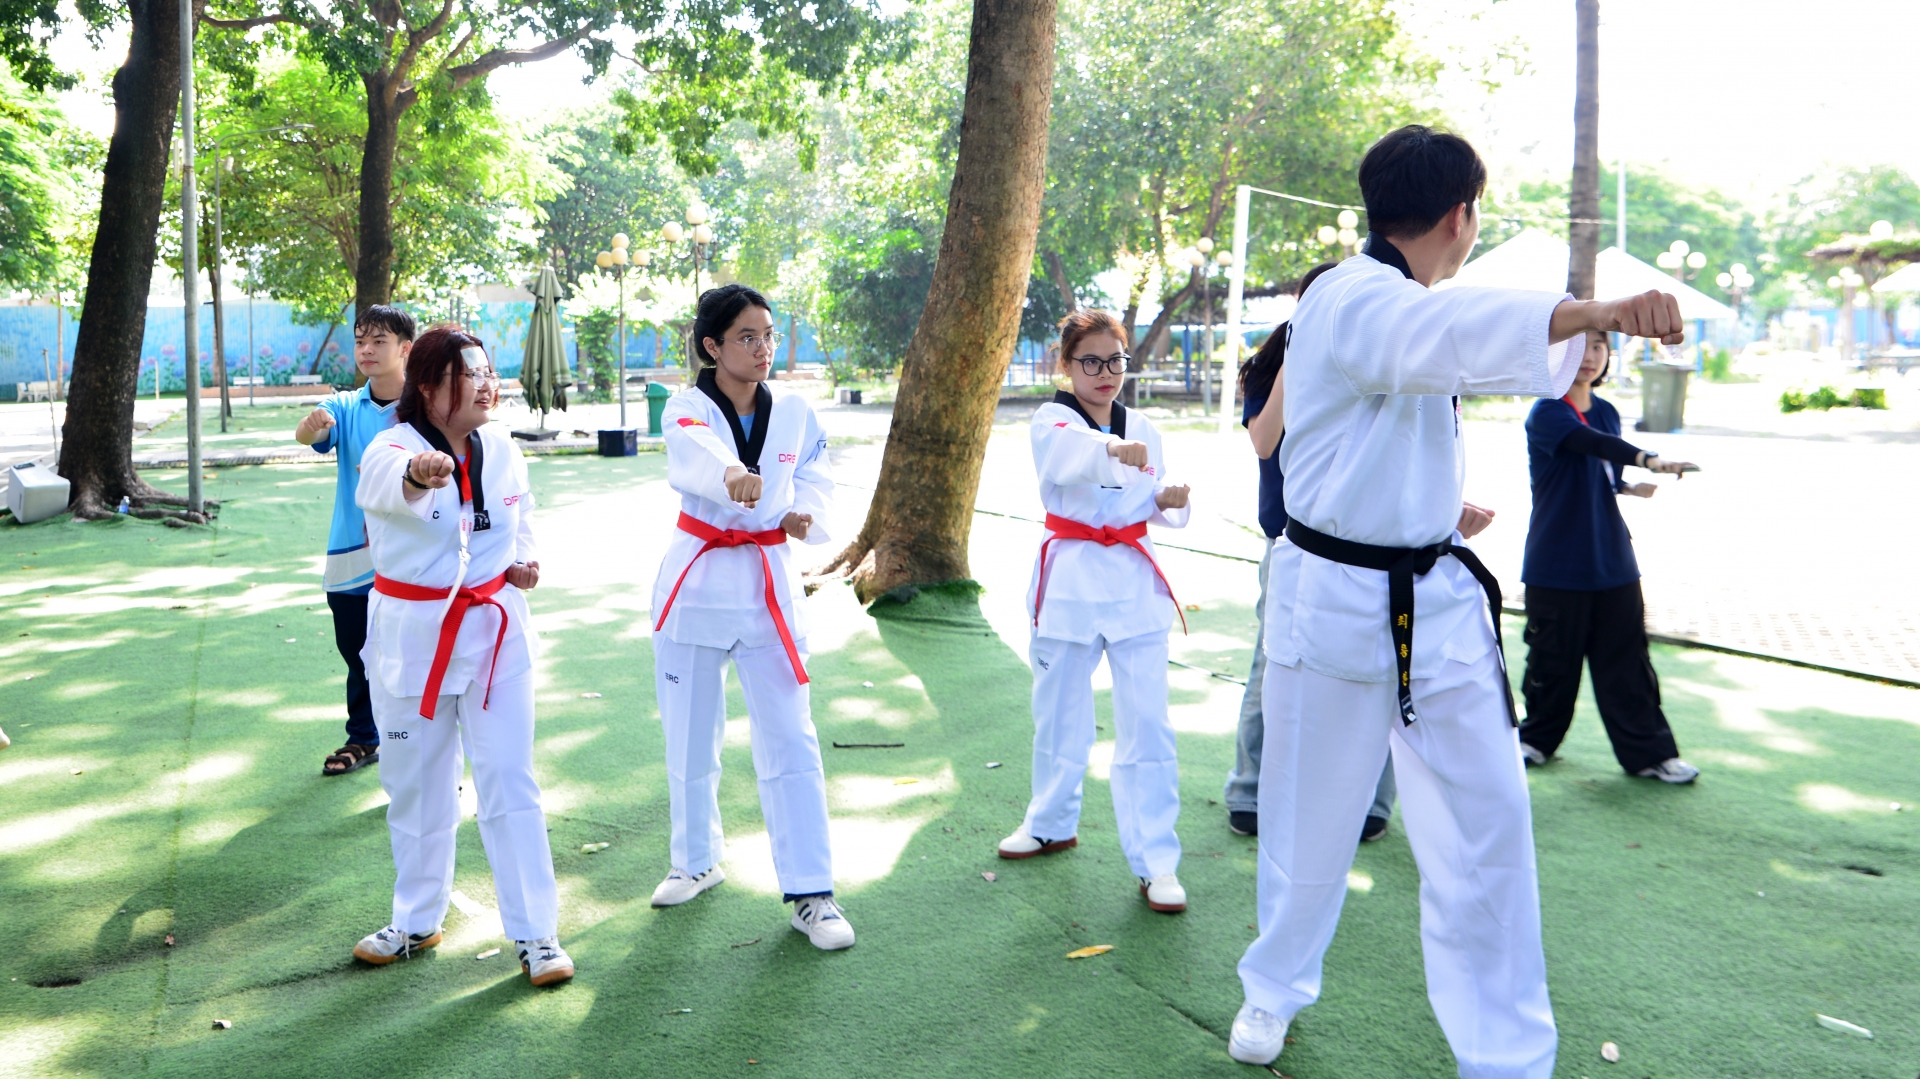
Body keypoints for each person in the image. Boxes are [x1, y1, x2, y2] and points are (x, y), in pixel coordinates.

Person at [1225, 125, 1686, 1073]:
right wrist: (1589, 307)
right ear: (1460, 215)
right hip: (1334, 604)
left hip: (1433, 600)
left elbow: (1419, 379)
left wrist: (1432, 509)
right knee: (1310, 826)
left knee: (1490, 827)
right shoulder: (1354, 296)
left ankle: (1507, 1053)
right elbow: (1435, 337)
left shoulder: (1396, 298)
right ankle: (1272, 990)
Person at [350, 327, 573, 987]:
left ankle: (537, 934)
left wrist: (525, 561)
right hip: (411, 639)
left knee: (509, 779)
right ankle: (416, 918)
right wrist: (421, 474)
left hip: (496, 634)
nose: (484, 382)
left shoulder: (502, 447)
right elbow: (384, 484)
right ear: (427, 384)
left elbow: (517, 517)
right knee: (417, 787)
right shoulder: (391, 445)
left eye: (484, 368)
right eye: (466, 371)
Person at [648, 285, 850, 950]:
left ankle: (811, 890)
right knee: (689, 735)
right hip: (699, 581)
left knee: (791, 736)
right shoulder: (685, 406)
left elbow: (817, 474)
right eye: (745, 336)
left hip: (769, 585)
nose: (762, 348)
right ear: (712, 346)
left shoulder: (793, 409)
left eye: (767, 334)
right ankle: (696, 859)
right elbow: (696, 450)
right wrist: (731, 472)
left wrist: (803, 515)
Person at [997, 309, 1194, 914]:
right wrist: (1114, 449)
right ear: (1065, 366)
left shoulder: (1147, 427)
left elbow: (1148, 497)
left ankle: (1156, 861)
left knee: (1148, 725)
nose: (1106, 373)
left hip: (1133, 580)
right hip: (1071, 580)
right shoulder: (1051, 419)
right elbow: (1072, 459)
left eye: (1115, 360)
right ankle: (1052, 822)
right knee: (1060, 715)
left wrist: (1165, 499)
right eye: (1091, 362)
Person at [1224, 263, 1402, 845]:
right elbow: (1262, 439)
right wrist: (1299, 351)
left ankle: (1370, 803)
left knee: (1379, 676)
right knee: (1270, 669)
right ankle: (1249, 791)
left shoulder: (1376, 356)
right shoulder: (1274, 360)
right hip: (1291, 545)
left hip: (1372, 550)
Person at [1518, 331, 1701, 783]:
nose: (1588, 357)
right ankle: (1534, 740)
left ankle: (1650, 755)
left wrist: (1627, 485)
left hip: (1613, 560)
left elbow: (1602, 470)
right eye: (1576, 348)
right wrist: (1650, 458)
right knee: (1550, 662)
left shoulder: (1607, 411)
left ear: (1608, 356)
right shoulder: (1547, 412)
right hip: (1557, 563)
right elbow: (1590, 445)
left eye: (1598, 347)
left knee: (1629, 662)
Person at [294, 305, 413, 777]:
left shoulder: (424, 408)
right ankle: (364, 737)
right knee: (357, 651)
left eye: (378, 340)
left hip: (408, 555)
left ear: (405, 348)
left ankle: (413, 737)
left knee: (408, 650)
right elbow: (308, 435)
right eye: (361, 340)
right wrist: (311, 425)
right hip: (350, 554)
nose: (366, 349)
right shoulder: (343, 405)